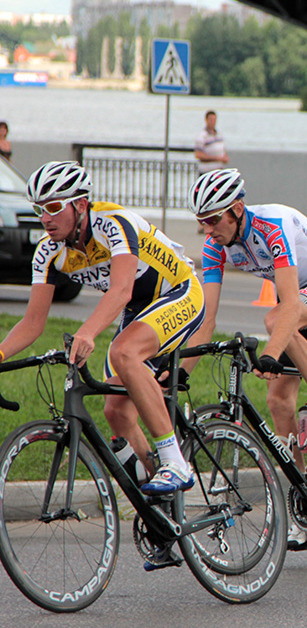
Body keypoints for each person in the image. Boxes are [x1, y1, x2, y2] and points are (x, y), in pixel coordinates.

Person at [0, 161, 207, 513]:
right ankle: (162, 510)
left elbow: (121, 290)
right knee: (116, 411)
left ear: (80, 204)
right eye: (39, 209)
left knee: (124, 352)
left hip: (178, 291)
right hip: (139, 309)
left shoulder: (113, 224)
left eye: (53, 207)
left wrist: (87, 333)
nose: (45, 218)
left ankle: (175, 461)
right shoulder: (48, 252)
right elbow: (33, 323)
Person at [182, 168, 307, 551]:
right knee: (278, 402)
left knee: (277, 320)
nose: (208, 229)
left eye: (213, 219)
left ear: (236, 209)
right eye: (201, 221)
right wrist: (179, 373)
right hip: (295, 298)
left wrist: (270, 354)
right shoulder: (215, 246)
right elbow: (206, 321)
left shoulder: (272, 224)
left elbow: (290, 305)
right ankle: (304, 502)